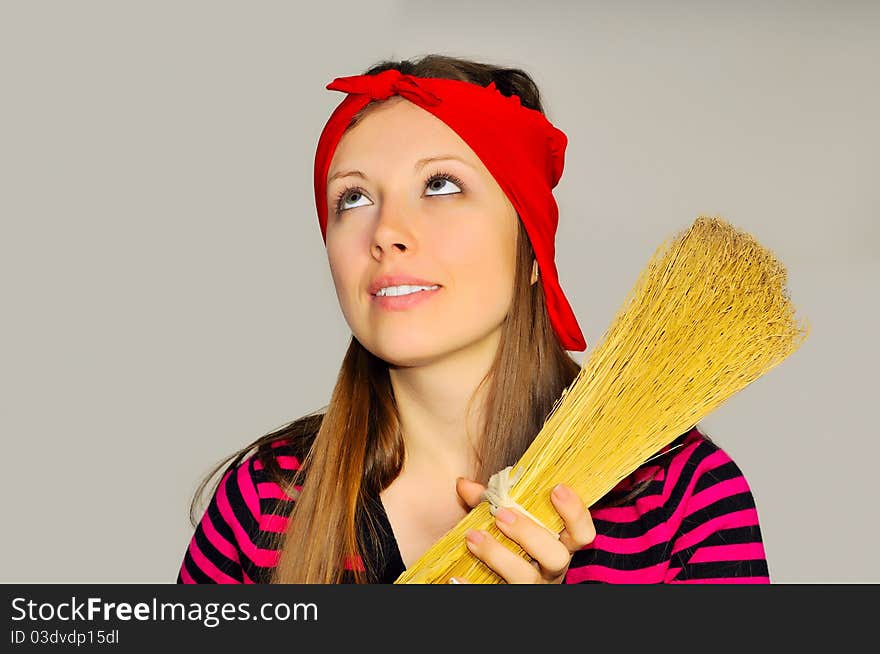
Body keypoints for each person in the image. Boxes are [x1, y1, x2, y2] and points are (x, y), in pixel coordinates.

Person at [176, 54, 770, 584]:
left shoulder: (678, 498)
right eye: (352, 198)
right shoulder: (266, 499)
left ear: (531, 249)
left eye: (439, 185)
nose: (385, 232)